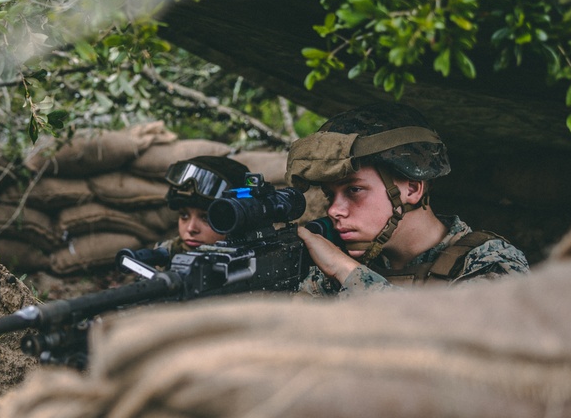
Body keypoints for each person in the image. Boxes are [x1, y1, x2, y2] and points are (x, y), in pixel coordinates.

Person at [286, 102, 529, 297]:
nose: (334, 210)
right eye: (330, 195)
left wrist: (347, 272)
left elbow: (449, 347)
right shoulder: (338, 265)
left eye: (354, 190)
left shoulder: (489, 262)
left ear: (412, 189)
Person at [155, 155, 251, 256]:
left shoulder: (253, 260)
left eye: (206, 218)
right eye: (184, 215)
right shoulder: (167, 253)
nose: (191, 229)